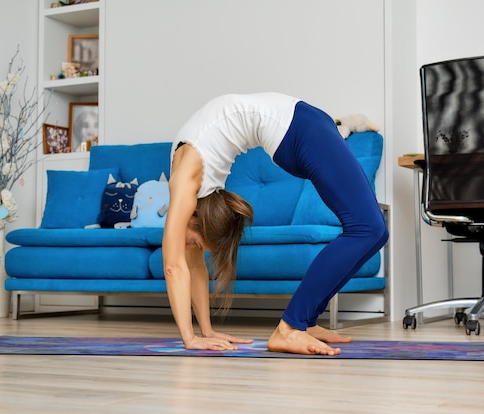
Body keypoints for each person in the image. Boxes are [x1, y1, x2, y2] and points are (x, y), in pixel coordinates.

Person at [163, 92, 389, 355]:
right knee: (371, 229)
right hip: (301, 126)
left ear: (196, 218)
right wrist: (200, 334)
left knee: (370, 230)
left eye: (195, 241)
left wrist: (194, 337)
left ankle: (297, 325)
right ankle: (296, 324)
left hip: (301, 129)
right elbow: (191, 265)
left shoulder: (185, 180)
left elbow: (172, 266)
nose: (188, 244)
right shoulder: (191, 185)